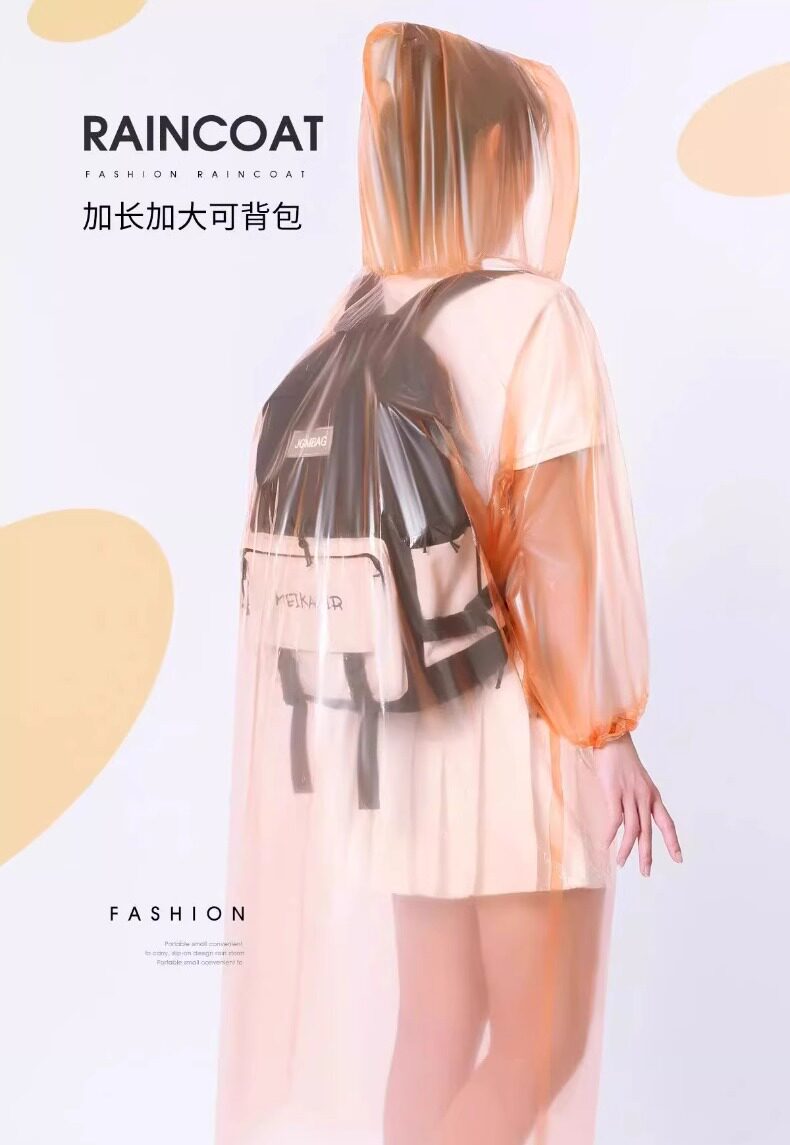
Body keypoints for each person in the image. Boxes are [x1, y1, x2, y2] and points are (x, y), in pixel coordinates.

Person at [216, 22, 682, 1145]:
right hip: (511, 723)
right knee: (540, 1040)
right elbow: (561, 555)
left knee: (436, 1024)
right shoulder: (536, 314)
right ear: (492, 157)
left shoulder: (359, 310)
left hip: (401, 723)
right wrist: (608, 733)